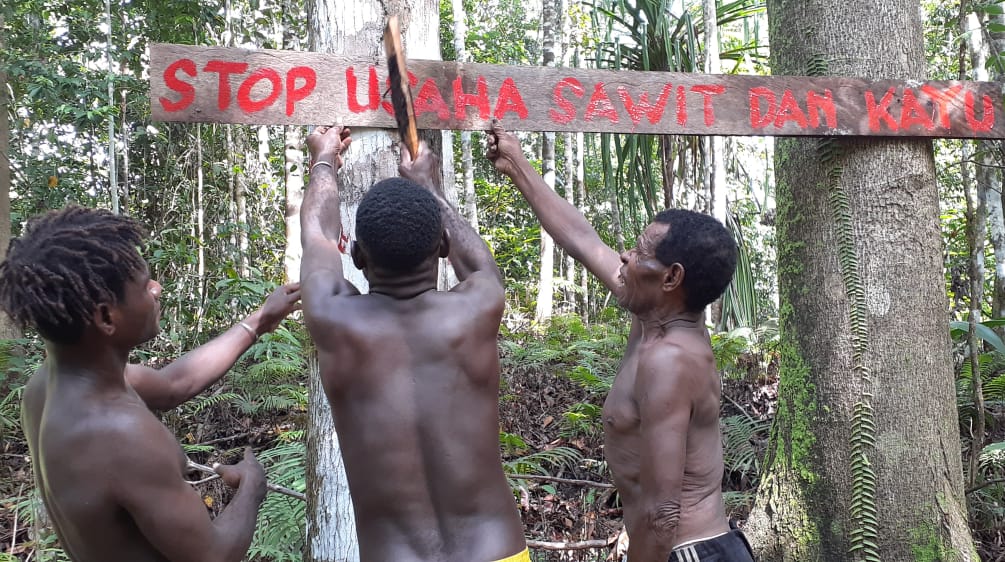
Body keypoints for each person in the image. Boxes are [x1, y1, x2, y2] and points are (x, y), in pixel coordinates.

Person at [487, 121, 752, 562]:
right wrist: (517, 164)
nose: (626, 256)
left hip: (690, 552)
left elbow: (663, 512)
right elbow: (582, 240)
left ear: (671, 277)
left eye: (640, 250)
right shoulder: (653, 311)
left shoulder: (671, 359)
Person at [2, 205, 301, 562]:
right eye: (145, 286)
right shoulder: (120, 433)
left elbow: (174, 383)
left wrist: (260, 321)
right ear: (105, 316)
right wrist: (252, 487)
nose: (157, 289)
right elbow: (214, 556)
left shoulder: (49, 386)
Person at [299, 125, 528, 562]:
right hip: (496, 552)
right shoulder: (478, 307)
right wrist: (431, 188)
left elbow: (318, 237)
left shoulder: (334, 318)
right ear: (441, 246)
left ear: (359, 258)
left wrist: (324, 160)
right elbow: (479, 265)